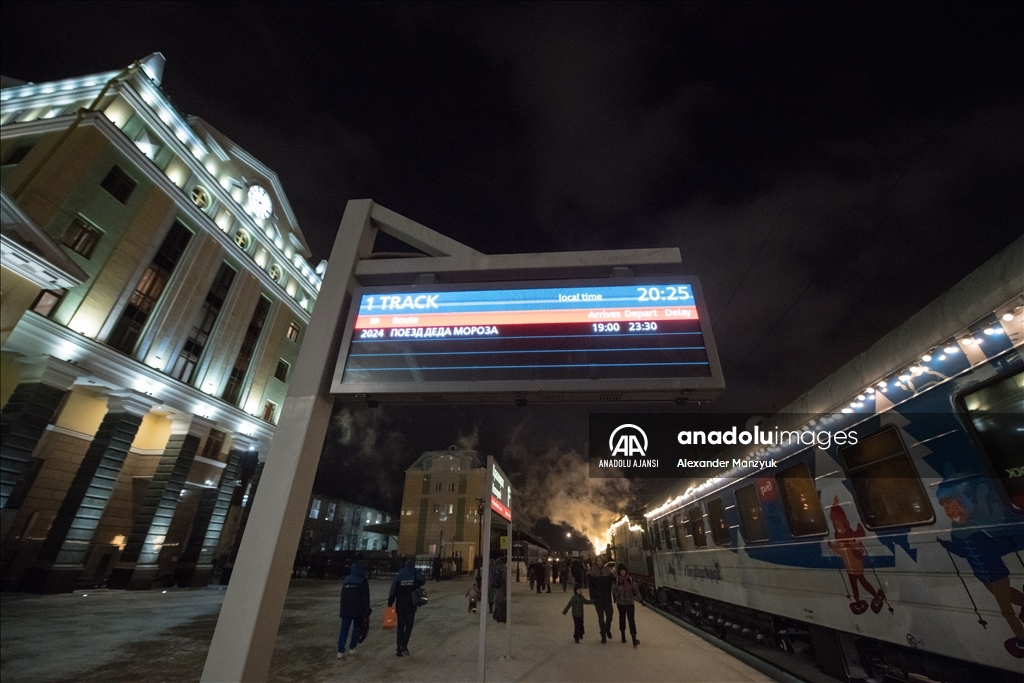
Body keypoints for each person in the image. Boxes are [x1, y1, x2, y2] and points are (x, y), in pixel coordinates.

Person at [388, 559, 425, 657]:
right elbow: (423, 581)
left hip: (400, 605)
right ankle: (403, 645)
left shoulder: (398, 576)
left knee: (400, 626)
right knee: (409, 626)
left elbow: (393, 591)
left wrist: (390, 602)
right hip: (411, 604)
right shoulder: (414, 574)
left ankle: (399, 648)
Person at [337, 560, 370, 659]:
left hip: (345, 608)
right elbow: (365, 596)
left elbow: (343, 595)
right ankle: (352, 648)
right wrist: (367, 608)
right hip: (357, 609)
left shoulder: (346, 579)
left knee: (344, 629)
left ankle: (340, 651)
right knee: (356, 628)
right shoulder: (362, 580)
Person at [588, 554, 615, 643]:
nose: (599, 562)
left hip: (607, 597)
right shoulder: (592, 572)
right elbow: (591, 586)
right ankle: (603, 636)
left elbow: (613, 585)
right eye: (597, 561)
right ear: (596, 562)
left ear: (603, 561)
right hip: (598, 598)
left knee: (610, 615)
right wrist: (592, 598)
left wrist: (615, 595)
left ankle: (607, 628)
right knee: (600, 617)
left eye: (600, 560)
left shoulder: (608, 571)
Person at [612, 563, 640, 646]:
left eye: (623, 571)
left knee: (631, 620)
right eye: (621, 571)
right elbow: (613, 590)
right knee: (622, 619)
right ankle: (623, 635)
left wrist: (641, 600)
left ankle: (634, 638)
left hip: (630, 603)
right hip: (621, 603)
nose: (622, 572)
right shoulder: (616, 580)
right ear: (619, 572)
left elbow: (635, 590)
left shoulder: (630, 579)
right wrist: (617, 595)